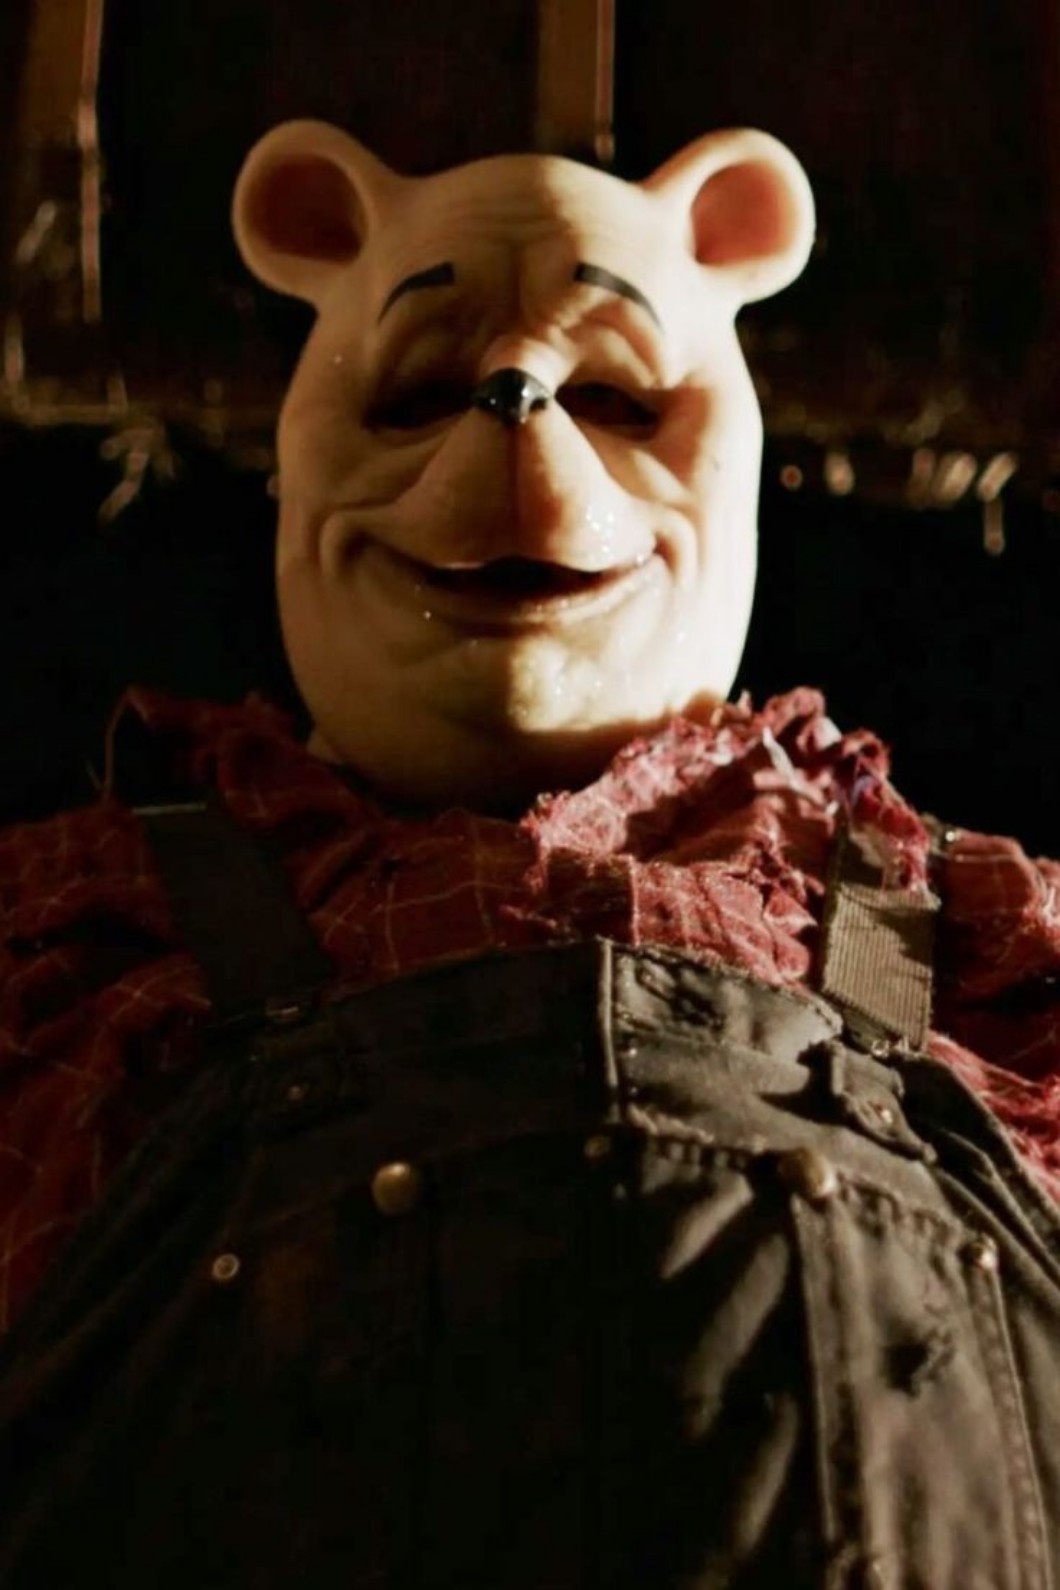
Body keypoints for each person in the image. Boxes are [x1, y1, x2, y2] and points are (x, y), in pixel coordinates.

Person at [1, 121, 1059, 1588]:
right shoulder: (56, 944)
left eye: (617, 394)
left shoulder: (997, 949)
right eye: (415, 392)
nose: (515, 417)